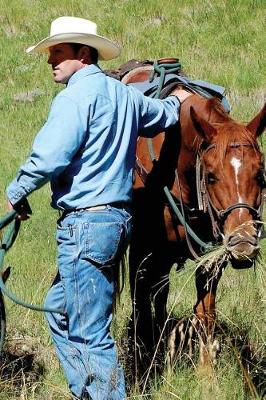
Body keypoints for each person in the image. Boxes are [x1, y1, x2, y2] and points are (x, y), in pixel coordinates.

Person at [6, 16, 191, 400]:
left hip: (85, 224)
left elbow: (50, 156)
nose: (50, 60)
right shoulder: (124, 96)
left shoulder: (74, 97)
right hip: (116, 222)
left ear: (83, 54)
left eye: (58, 51)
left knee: (90, 332)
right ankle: (87, 393)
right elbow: (164, 115)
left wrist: (16, 191)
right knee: (60, 311)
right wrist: (180, 98)